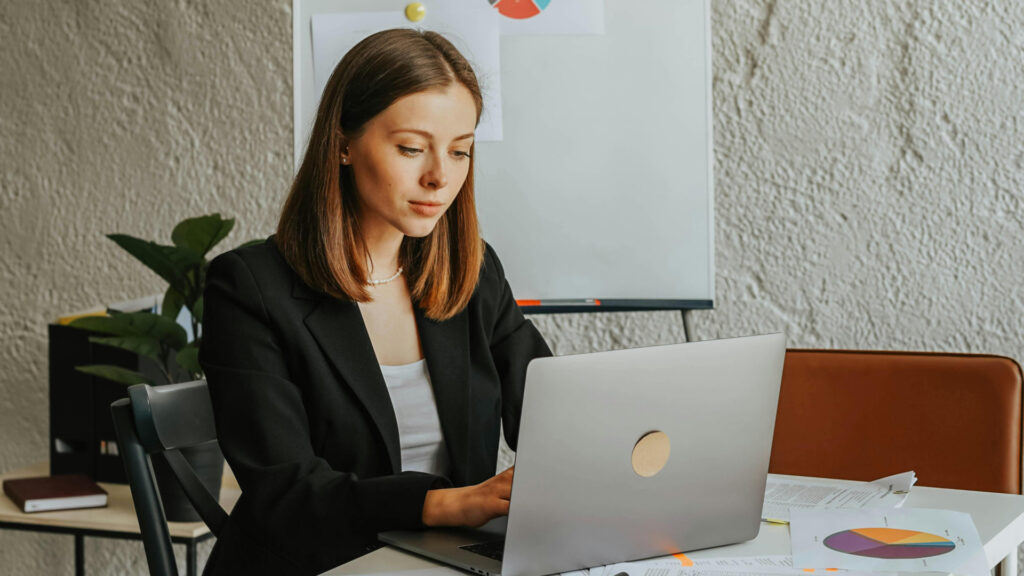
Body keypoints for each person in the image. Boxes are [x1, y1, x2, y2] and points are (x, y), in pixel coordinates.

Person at [198, 28, 552, 576]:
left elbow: (550, 412)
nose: (439, 176)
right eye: (411, 148)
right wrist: (437, 504)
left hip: (444, 563)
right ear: (342, 143)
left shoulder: (472, 270)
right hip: (315, 564)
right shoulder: (249, 287)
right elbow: (283, 492)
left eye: (460, 151)